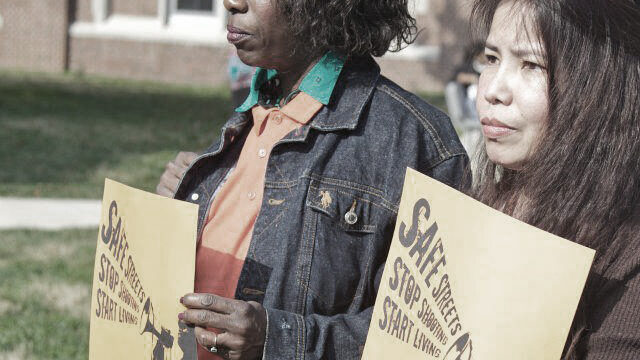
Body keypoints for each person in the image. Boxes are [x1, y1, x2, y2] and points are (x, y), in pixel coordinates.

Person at [159, 0, 469, 359]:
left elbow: (428, 336)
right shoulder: (251, 115)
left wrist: (276, 340)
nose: (231, 2)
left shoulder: (419, 144)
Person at [471, 0, 640, 358]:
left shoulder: (627, 257)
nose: (492, 91)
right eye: (491, 58)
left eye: (531, 64)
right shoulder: (478, 205)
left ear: (599, 87)